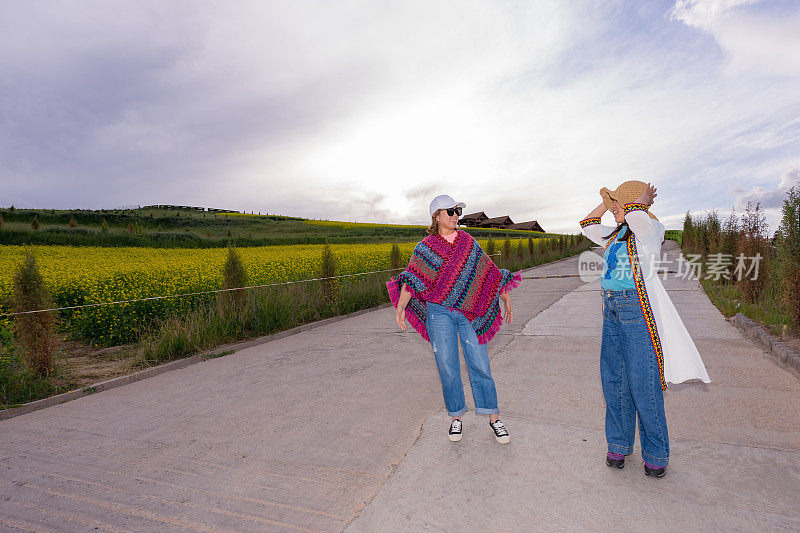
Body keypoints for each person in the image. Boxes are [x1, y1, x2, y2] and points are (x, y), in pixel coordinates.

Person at [579, 180, 710, 478]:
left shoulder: (650, 232)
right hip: (611, 309)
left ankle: (655, 454)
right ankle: (618, 445)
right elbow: (588, 224)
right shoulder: (613, 235)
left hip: (636, 311)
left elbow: (638, 216)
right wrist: (609, 200)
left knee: (643, 382)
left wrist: (641, 201)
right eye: (612, 204)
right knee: (614, 379)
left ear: (632, 204)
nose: (612, 209)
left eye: (616, 203)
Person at [387, 194, 521, 444]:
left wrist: (505, 296)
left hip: (469, 313)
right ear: (436, 217)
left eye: (457, 211)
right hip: (438, 314)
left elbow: (489, 273)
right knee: (447, 367)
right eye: (450, 211)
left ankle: (494, 417)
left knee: (480, 363)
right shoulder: (425, 248)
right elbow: (412, 280)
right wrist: (401, 307)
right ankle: (456, 418)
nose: (455, 216)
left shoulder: (468, 242)